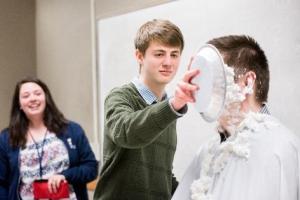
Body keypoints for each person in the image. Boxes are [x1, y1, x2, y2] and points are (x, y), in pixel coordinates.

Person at [172, 35, 300, 200]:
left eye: (212, 77)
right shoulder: (206, 153)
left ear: (247, 82)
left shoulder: (280, 148)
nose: (198, 88)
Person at [93, 19, 199, 200]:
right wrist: (173, 105)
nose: (168, 62)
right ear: (139, 56)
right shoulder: (119, 97)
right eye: (159, 54)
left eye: (174, 54)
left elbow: (162, 176)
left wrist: (194, 194)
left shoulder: (167, 109)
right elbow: (127, 133)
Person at [0, 77, 98, 200]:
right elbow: (1, 183)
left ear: (46, 98)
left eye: (37, 93)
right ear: (19, 104)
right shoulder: (6, 138)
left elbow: (91, 168)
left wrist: (65, 176)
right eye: (26, 96)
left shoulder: (72, 130)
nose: (33, 98)